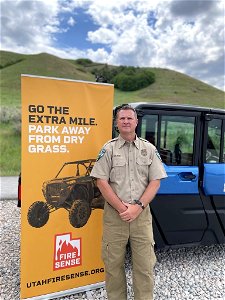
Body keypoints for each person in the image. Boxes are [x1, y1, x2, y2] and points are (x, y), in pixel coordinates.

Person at [90, 105, 167, 300]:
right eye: (122, 118)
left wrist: (137, 207)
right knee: (113, 267)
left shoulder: (149, 149)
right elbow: (101, 181)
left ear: (136, 122)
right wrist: (123, 208)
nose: (125, 121)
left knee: (145, 266)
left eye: (129, 118)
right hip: (115, 218)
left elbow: (155, 182)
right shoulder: (108, 149)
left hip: (141, 218)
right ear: (116, 123)